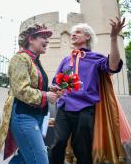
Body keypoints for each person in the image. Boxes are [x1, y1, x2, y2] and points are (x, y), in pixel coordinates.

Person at [49, 18, 125, 164]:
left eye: (77, 32)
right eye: (72, 33)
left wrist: (113, 38)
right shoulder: (66, 60)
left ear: (87, 37)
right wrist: (56, 88)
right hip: (64, 107)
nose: (73, 34)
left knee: (82, 148)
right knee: (58, 144)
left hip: (85, 108)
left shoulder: (96, 58)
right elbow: (56, 83)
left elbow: (114, 66)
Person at [0, 23, 58, 164]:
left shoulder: (35, 61)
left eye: (47, 37)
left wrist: (51, 90)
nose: (47, 40)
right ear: (31, 39)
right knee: (40, 161)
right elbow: (21, 90)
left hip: (35, 116)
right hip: (24, 116)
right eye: (43, 37)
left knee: (23, 159)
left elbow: (36, 86)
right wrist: (46, 96)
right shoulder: (20, 58)